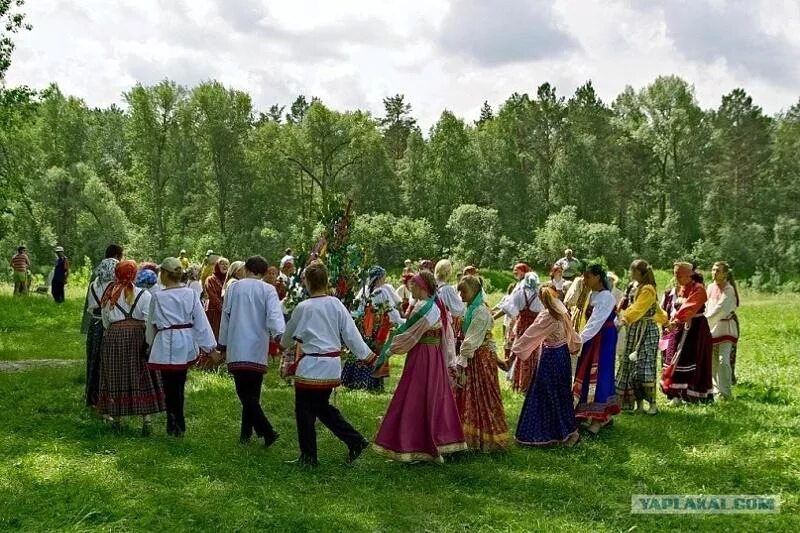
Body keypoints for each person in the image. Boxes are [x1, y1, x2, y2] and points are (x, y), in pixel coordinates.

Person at [282, 261, 376, 467]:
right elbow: (351, 335)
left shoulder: (303, 307)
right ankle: (354, 441)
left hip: (310, 367)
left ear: (307, 282)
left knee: (304, 410)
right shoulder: (336, 304)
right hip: (331, 365)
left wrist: (284, 342)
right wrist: (368, 357)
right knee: (321, 407)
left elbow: (287, 339)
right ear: (326, 282)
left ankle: (309, 456)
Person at [372, 271, 467, 463]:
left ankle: (413, 445)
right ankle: (433, 444)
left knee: (413, 398)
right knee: (432, 398)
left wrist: (389, 351)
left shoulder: (424, 308)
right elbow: (447, 336)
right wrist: (449, 361)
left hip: (421, 358)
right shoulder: (437, 307)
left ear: (422, 287)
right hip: (434, 358)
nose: (410, 287)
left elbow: (409, 336)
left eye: (413, 285)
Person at [146, 258, 217, 437]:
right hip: (184, 342)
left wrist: (149, 344)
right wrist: (210, 347)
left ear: (164, 274)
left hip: (165, 342)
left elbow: (151, 324)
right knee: (178, 383)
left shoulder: (158, 296)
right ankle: (177, 421)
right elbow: (201, 322)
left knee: (169, 386)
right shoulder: (190, 294)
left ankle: (174, 422)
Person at [218, 256, 285, 446]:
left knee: (244, 393)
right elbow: (274, 317)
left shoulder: (234, 288)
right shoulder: (268, 289)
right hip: (257, 346)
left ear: (246, 269)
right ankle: (246, 434)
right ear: (263, 273)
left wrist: (222, 345)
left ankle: (265, 430)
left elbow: (226, 316)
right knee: (252, 393)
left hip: (238, 345)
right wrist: (280, 336)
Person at [97, 260, 165, 434]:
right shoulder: (144, 295)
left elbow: (105, 322)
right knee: (141, 375)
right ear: (134, 274)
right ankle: (146, 420)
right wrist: (149, 342)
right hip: (138, 338)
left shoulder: (108, 295)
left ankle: (116, 418)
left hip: (114, 339)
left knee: (115, 374)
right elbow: (149, 320)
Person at [511, 284, 582, 446]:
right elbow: (571, 334)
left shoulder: (547, 316)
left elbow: (530, 335)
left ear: (542, 300)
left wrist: (515, 349)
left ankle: (549, 433)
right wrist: (575, 345)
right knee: (561, 393)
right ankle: (569, 432)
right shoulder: (563, 314)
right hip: (562, 355)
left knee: (546, 394)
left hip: (551, 358)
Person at [453, 275, 509, 452]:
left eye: (464, 291)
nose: (461, 295)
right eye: (460, 291)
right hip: (474, 356)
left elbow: (472, 341)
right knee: (469, 396)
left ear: (475, 291)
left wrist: (461, 362)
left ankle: (484, 439)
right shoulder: (470, 308)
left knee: (482, 396)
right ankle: (466, 437)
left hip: (478, 360)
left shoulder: (481, 312)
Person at [615, 260, 668, 415]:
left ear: (638, 272)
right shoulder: (633, 286)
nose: (630, 274)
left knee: (645, 366)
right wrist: (665, 320)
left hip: (646, 331)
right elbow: (655, 309)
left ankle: (652, 404)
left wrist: (624, 319)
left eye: (632, 271)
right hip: (634, 330)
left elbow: (640, 308)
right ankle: (637, 404)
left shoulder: (648, 290)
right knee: (630, 366)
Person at [573, 264, 620, 435]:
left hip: (603, 337)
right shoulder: (592, 294)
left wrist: (579, 339)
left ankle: (599, 418)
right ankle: (587, 412)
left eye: (588, 277)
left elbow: (597, 321)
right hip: (593, 337)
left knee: (600, 373)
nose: (585, 280)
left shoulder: (606, 296)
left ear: (598, 277)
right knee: (586, 372)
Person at [660, 262, 714, 405]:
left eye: (680, 275)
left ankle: (692, 395)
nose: (677, 277)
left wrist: (676, 320)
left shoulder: (699, 289)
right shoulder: (679, 289)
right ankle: (675, 395)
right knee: (675, 359)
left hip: (695, 330)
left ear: (689, 275)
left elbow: (689, 307)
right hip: (679, 329)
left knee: (692, 360)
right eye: (675, 274)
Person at [342, 266, 403, 391]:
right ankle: (371, 384)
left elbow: (356, 311)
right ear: (379, 278)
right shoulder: (381, 291)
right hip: (376, 327)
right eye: (383, 277)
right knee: (373, 351)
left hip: (363, 326)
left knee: (361, 349)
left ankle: (354, 381)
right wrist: (401, 322)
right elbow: (391, 309)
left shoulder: (364, 291)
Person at [495, 271, 544, 394]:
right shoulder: (540, 295)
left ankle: (519, 381)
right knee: (534, 352)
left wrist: (493, 317)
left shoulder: (519, 293)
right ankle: (532, 383)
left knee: (520, 352)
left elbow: (507, 309)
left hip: (522, 326)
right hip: (535, 327)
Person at [84, 258, 118, 409]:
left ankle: (91, 396)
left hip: (94, 324)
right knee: (107, 361)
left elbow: (90, 307)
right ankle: (107, 397)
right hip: (107, 325)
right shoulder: (114, 287)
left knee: (93, 360)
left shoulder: (93, 285)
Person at [706, 261, 739, 401]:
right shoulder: (710, 287)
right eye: (713, 269)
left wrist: (704, 322)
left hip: (725, 327)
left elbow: (721, 309)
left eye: (718, 270)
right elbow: (707, 306)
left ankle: (726, 393)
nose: (714, 272)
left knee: (723, 360)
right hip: (712, 328)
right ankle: (715, 390)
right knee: (712, 361)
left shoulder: (729, 289)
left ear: (725, 273)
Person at [81, 244, 124, 334]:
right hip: (113, 321)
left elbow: (89, 302)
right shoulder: (120, 270)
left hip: (95, 320)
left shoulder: (97, 271)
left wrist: (85, 326)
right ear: (117, 255)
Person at [204, 257, 228, 338]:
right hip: (213, 311)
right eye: (222, 264)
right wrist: (222, 308)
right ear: (217, 266)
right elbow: (212, 295)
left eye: (226, 264)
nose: (225, 266)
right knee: (214, 334)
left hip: (225, 311)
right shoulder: (210, 279)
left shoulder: (228, 280)